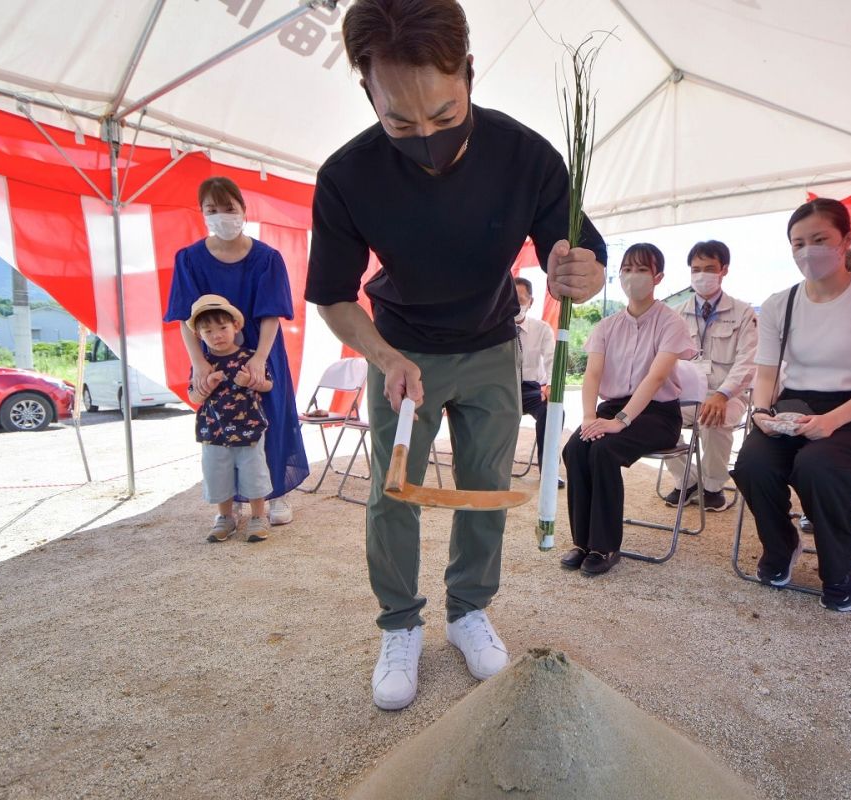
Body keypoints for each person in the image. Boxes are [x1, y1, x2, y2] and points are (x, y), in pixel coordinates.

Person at [305, 0, 607, 712]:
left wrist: (581, 271)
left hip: (492, 342)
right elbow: (333, 298)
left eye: (443, 117)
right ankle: (400, 623)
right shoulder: (348, 176)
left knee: (483, 485)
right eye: (400, 124)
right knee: (392, 491)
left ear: (468, 74)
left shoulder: (525, 154)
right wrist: (381, 357)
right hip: (401, 348)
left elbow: (579, 251)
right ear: (367, 92)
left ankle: (469, 609)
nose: (427, 140)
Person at [731, 198, 851, 612]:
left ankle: (842, 566)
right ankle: (781, 546)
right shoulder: (779, 303)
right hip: (792, 407)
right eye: (797, 244)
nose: (807, 251)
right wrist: (760, 413)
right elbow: (767, 372)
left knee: (818, 466)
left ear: (846, 239)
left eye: (819, 239)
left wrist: (831, 421)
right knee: (752, 465)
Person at [165, 177, 310, 525]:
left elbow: (271, 314)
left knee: (271, 418)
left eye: (228, 208)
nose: (221, 216)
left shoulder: (267, 258)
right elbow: (184, 317)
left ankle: (277, 494)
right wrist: (198, 363)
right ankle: (231, 504)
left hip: (263, 350)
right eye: (212, 210)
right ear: (201, 213)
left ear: (243, 210)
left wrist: (259, 359)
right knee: (222, 426)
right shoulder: (188, 259)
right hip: (213, 356)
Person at [560, 244, 695, 575]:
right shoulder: (606, 326)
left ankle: (605, 546)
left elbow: (656, 376)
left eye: (642, 270)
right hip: (613, 407)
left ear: (658, 277)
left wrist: (620, 421)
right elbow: (592, 374)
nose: (632, 277)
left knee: (604, 450)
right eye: (627, 270)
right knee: (576, 448)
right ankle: (582, 541)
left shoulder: (670, 322)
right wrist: (590, 417)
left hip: (659, 413)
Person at [662, 241, 757, 511]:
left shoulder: (743, 313)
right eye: (696, 269)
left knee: (712, 417)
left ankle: (713, 488)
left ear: (723, 270)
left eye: (709, 268)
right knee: (655, 419)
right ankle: (687, 480)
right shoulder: (676, 314)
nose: (701, 275)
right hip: (687, 394)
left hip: (730, 395)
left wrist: (722, 394)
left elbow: (747, 362)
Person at [185, 294, 275, 543]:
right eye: (208, 331)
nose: (216, 335)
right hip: (213, 432)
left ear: (236, 326)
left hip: (250, 429)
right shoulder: (203, 364)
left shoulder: (250, 357)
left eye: (222, 328)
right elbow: (194, 396)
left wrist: (250, 381)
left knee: (254, 472)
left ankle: (258, 517)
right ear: (199, 336)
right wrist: (208, 386)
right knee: (217, 474)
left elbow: (268, 385)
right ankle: (225, 518)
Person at [513, 276, 563, 488]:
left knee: (553, 412)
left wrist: (552, 385)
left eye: (521, 299)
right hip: (502, 388)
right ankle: (491, 469)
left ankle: (549, 470)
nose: (515, 305)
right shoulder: (493, 330)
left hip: (531, 389)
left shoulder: (541, 329)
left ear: (531, 302)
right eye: (510, 299)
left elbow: (552, 359)